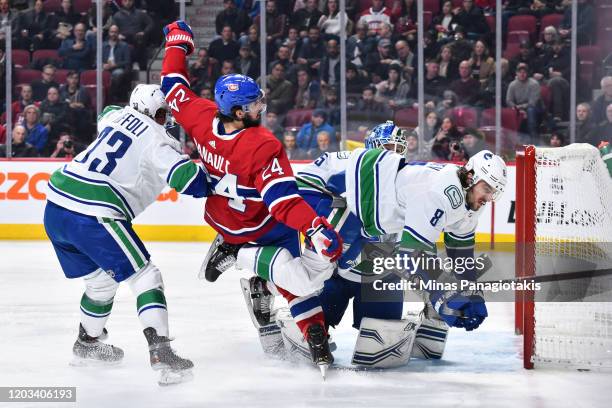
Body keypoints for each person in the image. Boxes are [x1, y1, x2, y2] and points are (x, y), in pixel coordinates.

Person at [160, 21, 343, 372]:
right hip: (262, 226)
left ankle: (241, 258)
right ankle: (310, 328)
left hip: (223, 219)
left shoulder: (199, 118)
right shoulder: (263, 145)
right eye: (254, 104)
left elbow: (172, 86)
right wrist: (317, 228)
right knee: (298, 285)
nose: (261, 106)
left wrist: (177, 43)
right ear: (240, 112)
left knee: (292, 279)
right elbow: (282, 202)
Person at [247, 124, 505, 367]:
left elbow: (455, 257)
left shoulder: (432, 192)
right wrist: (442, 297)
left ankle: (431, 322)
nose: (391, 155)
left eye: (397, 150)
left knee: (382, 351)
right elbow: (306, 194)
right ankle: (268, 286)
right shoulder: (348, 170)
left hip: (379, 274)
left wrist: (469, 292)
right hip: (338, 271)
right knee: (307, 333)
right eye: (386, 148)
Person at [43, 84, 210, 385]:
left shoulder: (114, 117)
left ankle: (87, 345)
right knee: (145, 276)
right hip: (94, 211)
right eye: (162, 113)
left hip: (56, 205)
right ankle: (162, 354)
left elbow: (107, 113)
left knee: (100, 282)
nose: (166, 119)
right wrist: (216, 174)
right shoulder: (159, 141)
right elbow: (191, 183)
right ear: (154, 113)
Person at [506, 63, 542, 143]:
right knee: (509, 112)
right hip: (518, 108)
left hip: (535, 108)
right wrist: (518, 109)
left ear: (527, 73)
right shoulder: (512, 85)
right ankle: (513, 142)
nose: (522, 74)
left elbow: (533, 102)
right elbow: (509, 100)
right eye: (520, 72)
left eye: (524, 72)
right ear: (516, 73)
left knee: (530, 111)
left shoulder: (534, 84)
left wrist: (520, 108)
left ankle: (534, 140)